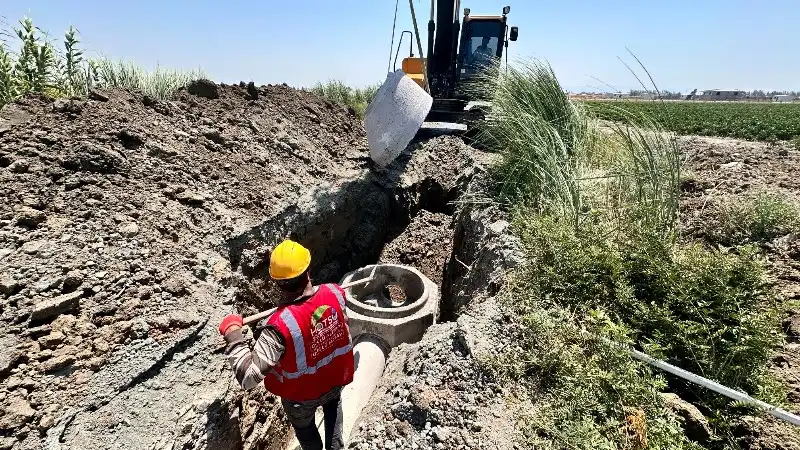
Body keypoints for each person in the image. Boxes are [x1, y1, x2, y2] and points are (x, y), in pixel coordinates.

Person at [219, 239, 354, 450]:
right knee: (334, 409)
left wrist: (233, 334)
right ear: (308, 270)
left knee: (306, 431)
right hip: (334, 380)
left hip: (301, 397)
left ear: (277, 282)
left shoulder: (278, 327)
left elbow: (248, 377)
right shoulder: (336, 292)